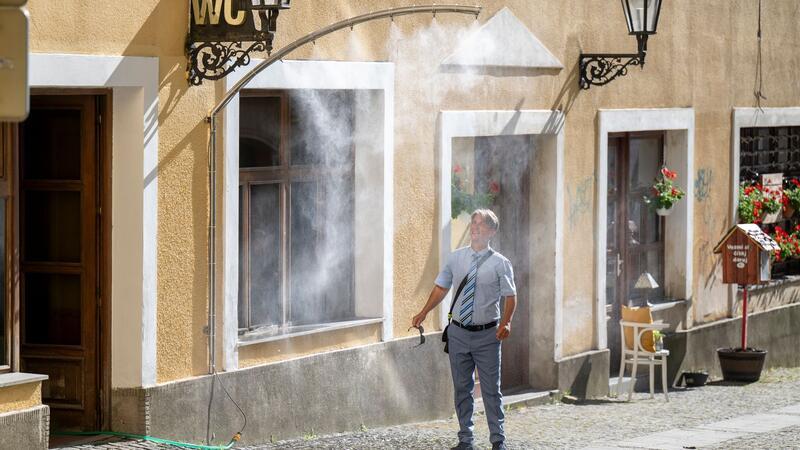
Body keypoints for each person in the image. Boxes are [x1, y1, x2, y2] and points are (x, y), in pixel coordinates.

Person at [411, 209, 517, 450]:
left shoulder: (501, 264)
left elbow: (510, 297)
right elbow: (440, 288)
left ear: (492, 231)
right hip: (458, 333)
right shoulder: (455, 258)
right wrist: (424, 311)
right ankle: (465, 441)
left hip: (488, 335)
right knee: (462, 388)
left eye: (482, 224)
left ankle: (498, 441)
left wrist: (506, 322)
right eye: (474, 223)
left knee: (491, 390)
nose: (476, 227)